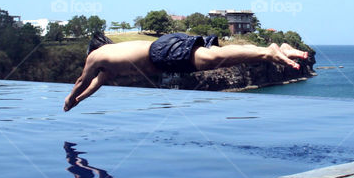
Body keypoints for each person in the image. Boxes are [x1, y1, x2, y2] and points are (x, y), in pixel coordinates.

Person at [63, 33, 309, 111]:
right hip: (164, 58)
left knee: (212, 58)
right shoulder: (109, 66)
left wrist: (70, 98)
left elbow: (82, 80)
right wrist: (78, 101)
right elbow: (94, 84)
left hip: (160, 52)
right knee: (214, 59)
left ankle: (270, 51)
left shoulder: (96, 56)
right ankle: (269, 50)